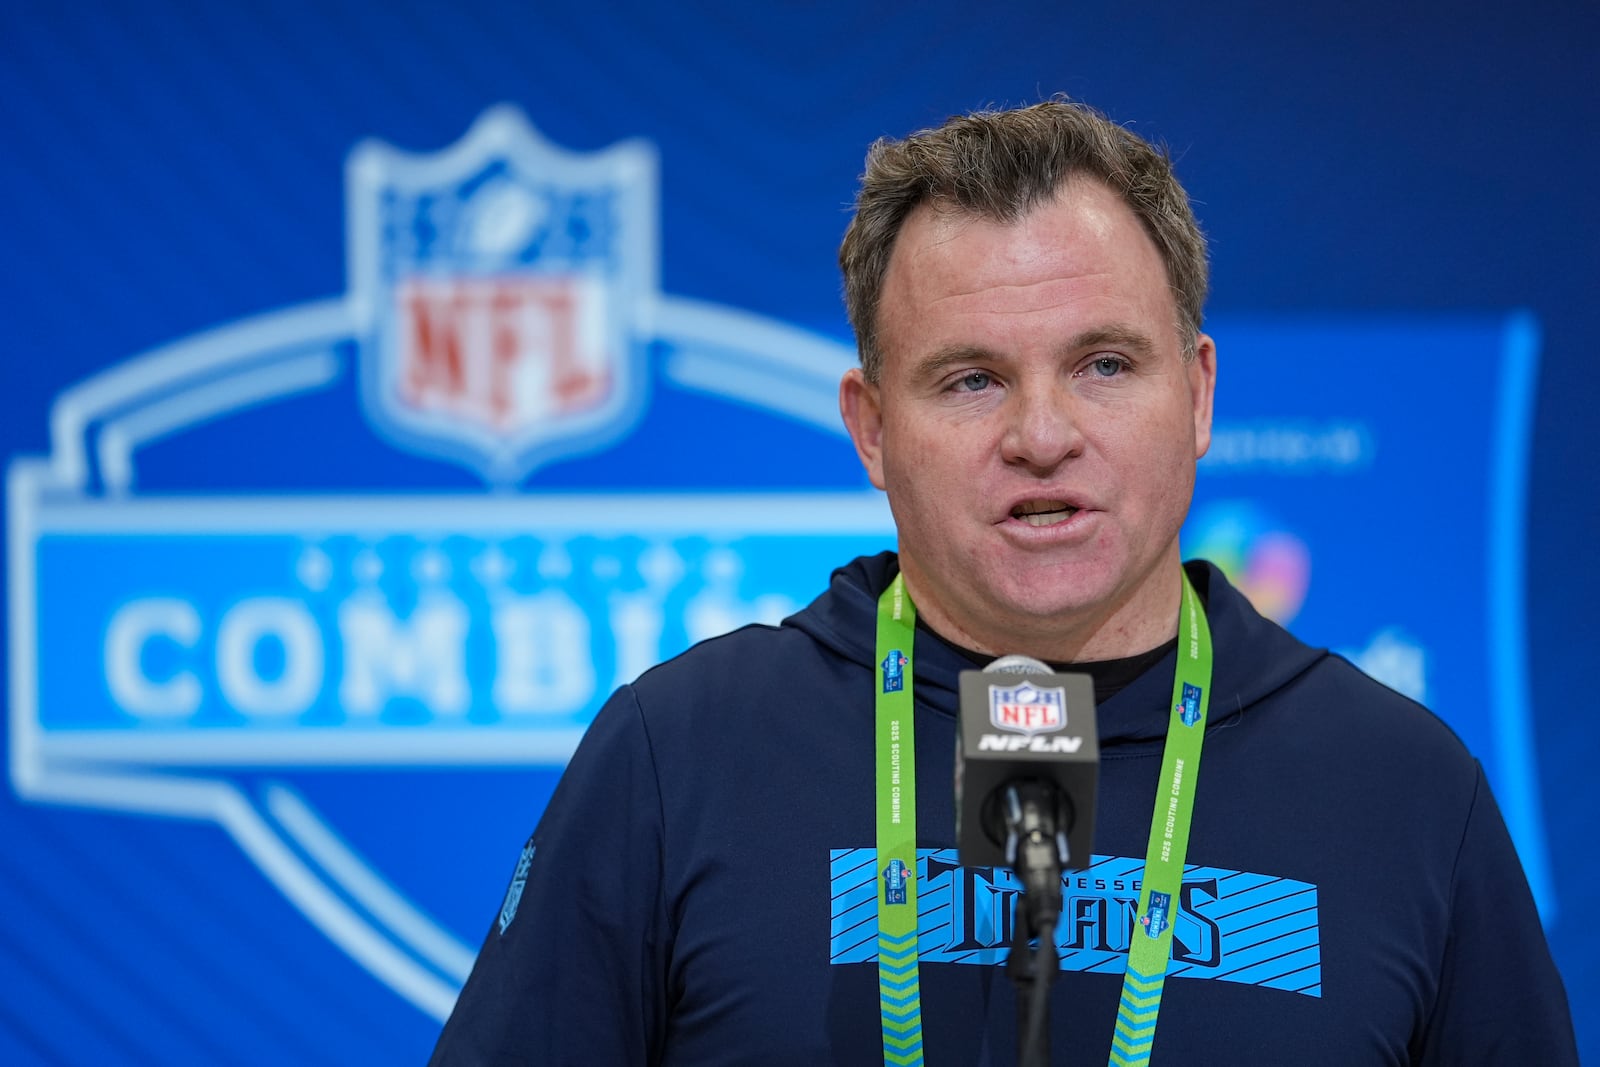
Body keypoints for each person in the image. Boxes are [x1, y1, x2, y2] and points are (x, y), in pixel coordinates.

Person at [431, 99, 1577, 1065]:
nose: (1042, 433)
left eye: (1104, 365)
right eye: (971, 379)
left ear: (1200, 395)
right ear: (873, 430)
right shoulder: (678, 754)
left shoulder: (1406, 790)